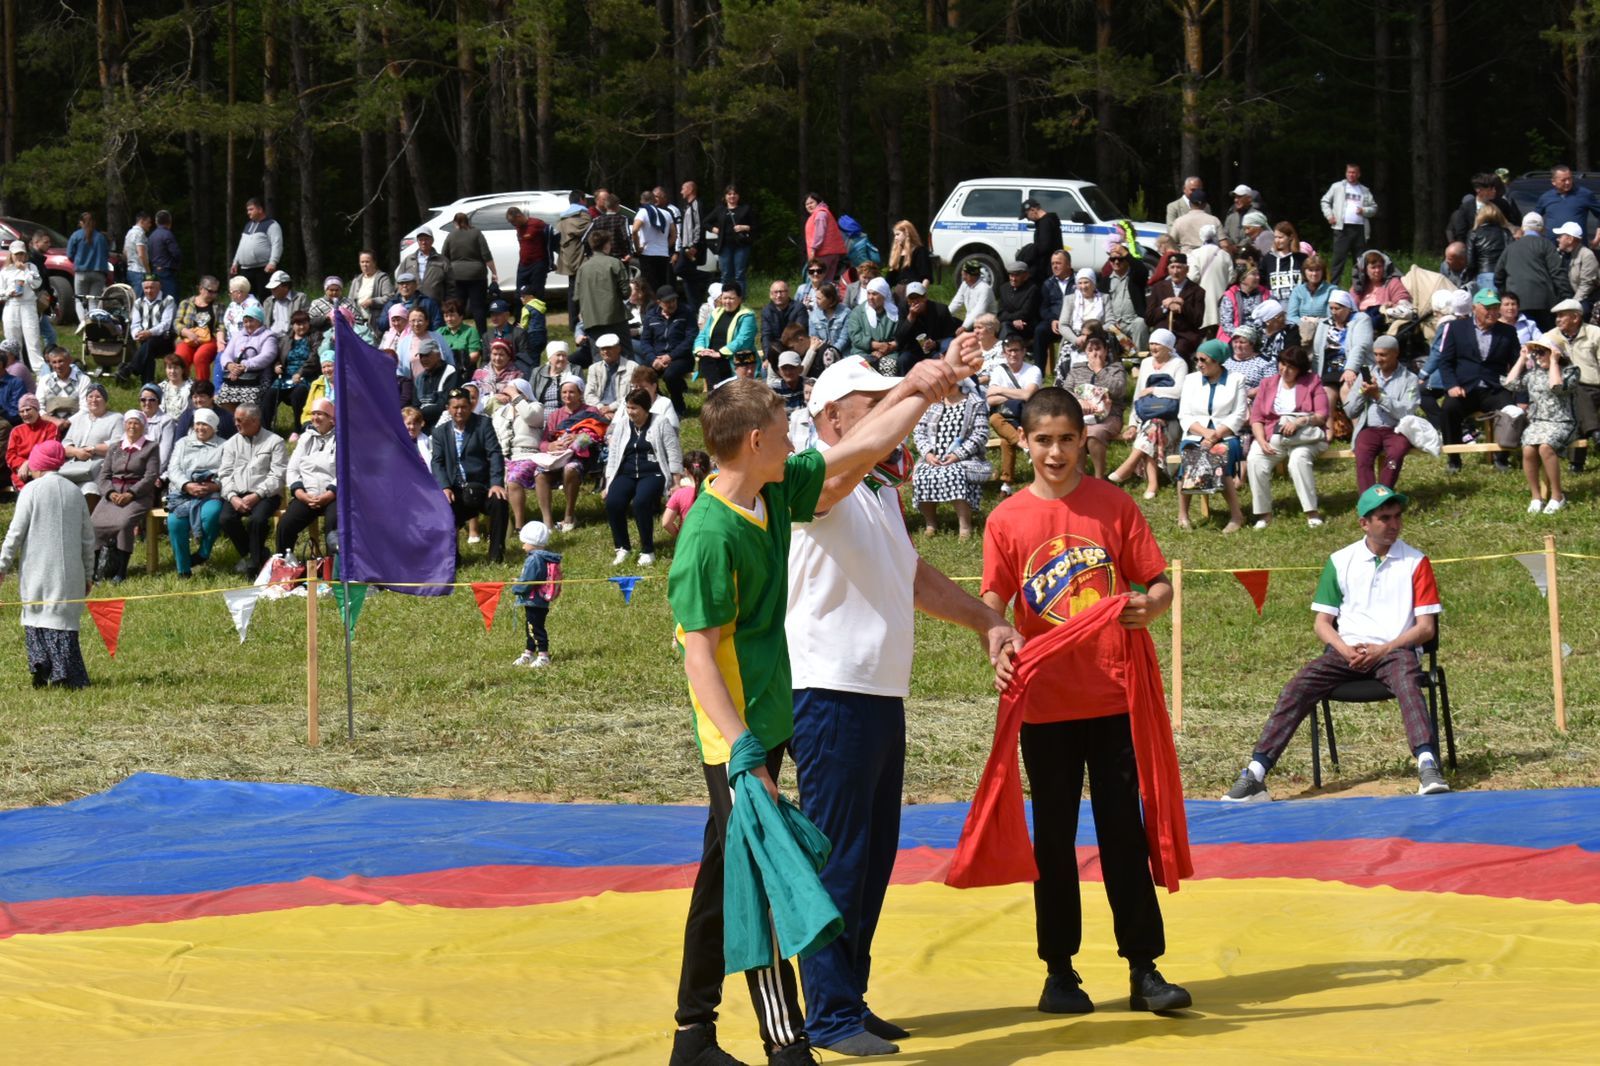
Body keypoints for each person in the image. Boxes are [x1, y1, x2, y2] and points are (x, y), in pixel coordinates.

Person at [665, 348, 977, 1066]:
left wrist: (920, 389)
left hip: (768, 722)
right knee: (768, 876)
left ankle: (692, 1035)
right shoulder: (709, 537)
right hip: (735, 734)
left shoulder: (777, 493)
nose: (795, 433)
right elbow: (699, 657)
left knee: (722, 880)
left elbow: (862, 446)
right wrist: (741, 749)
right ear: (756, 442)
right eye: (784, 425)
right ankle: (786, 1044)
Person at [784, 355, 1021, 1056]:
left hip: (876, 691)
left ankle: (846, 998)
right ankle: (826, 1012)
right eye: (874, 401)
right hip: (828, 690)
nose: (892, 410)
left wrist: (986, 620)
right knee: (839, 857)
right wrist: (918, 389)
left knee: (871, 855)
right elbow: (855, 461)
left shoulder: (878, 492)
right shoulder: (816, 473)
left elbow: (910, 575)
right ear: (832, 418)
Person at [979, 386, 1191, 1019]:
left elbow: (1156, 584)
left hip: (1112, 696)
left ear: (1084, 440)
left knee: (1124, 831)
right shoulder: (1006, 519)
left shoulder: (1113, 505)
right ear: (1024, 441)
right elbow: (992, 602)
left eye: (1067, 439)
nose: (1055, 452)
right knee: (1055, 840)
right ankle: (1059, 972)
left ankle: (1144, 968)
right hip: (1044, 702)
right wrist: (996, 646)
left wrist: (1153, 605)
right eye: (1042, 440)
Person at [1221, 484, 1447, 802]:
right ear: (1364, 524)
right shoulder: (1340, 561)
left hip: (1395, 650)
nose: (1394, 524)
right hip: (1346, 652)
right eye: (1385, 517)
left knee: (1408, 682)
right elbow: (1322, 624)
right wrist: (1345, 650)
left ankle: (1428, 765)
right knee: (1297, 687)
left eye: (1397, 516)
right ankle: (1255, 773)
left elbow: (1425, 629)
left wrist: (1384, 648)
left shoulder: (1416, 562)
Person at [0, 440, 95, 689]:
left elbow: (15, 533)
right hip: (71, 573)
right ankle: (65, 673)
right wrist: (88, 574)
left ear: (39, 463)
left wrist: (2, 566)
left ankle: (41, 664)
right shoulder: (75, 492)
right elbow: (88, 538)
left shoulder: (31, 491)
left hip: (37, 571)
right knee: (62, 621)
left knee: (36, 617)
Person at [1437, 289, 1521, 473]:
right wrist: (1451, 385)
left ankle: (1502, 457)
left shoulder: (1507, 332)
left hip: (1494, 388)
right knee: (1449, 410)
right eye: (1487, 308)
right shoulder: (1455, 328)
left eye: (1495, 307)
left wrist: (1516, 391)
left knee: (1511, 410)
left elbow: (1516, 364)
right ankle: (1454, 459)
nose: (1492, 312)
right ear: (1475, 308)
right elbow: (1445, 361)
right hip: (1465, 388)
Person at [1245, 346, 1329, 528]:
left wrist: (1300, 421)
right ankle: (1264, 514)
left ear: (1300, 368)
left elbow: (1322, 415)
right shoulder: (1267, 383)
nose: (1285, 370)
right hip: (1271, 436)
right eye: (1282, 364)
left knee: (1298, 460)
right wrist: (1260, 441)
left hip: (1304, 437)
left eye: (1291, 367)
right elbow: (1257, 418)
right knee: (1254, 460)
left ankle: (1311, 512)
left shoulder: (1312, 381)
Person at [603, 387, 682, 568]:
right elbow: (614, 454)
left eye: (635, 408)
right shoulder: (623, 424)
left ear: (645, 408)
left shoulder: (661, 422)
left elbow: (673, 451)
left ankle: (647, 550)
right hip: (626, 473)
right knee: (613, 503)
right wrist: (609, 483)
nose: (631, 412)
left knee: (641, 502)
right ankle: (622, 547)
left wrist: (676, 481)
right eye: (628, 408)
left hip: (653, 472)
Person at [1176, 340, 1248, 532]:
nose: (1199, 364)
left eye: (1204, 360)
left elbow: (1239, 414)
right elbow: (1184, 414)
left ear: (1217, 362)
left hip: (1226, 435)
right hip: (1195, 434)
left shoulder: (1236, 380)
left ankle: (1236, 516)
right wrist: (1205, 432)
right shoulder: (1191, 380)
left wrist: (1217, 434)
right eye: (1197, 359)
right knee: (1190, 456)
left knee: (1219, 455)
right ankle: (1183, 515)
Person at [431, 388, 509, 563]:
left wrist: (496, 483)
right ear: (448, 409)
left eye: (464, 407)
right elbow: (437, 462)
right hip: (456, 489)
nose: (460, 411)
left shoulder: (483, 424)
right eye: (455, 407)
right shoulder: (439, 432)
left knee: (499, 501)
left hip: (481, 487)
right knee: (443, 506)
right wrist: (445, 486)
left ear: (471, 406)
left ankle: (496, 555)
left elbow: (495, 454)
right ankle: (453, 558)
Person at [1110, 328, 1187, 499]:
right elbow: (1139, 395)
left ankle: (1132, 468)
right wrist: (1132, 423)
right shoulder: (1146, 363)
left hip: (1172, 416)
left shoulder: (1179, 364)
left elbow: (1180, 391)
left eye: (1157, 344)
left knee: (1154, 425)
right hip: (1150, 416)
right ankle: (1151, 482)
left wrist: (1154, 389)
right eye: (1151, 343)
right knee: (1153, 426)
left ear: (1168, 346)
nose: (1153, 347)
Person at [1508, 338, 1580, 515]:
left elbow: (1556, 387)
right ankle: (1536, 497)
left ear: (1554, 353)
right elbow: (1510, 383)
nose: (1537, 356)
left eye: (1541, 352)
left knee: (1546, 447)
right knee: (1528, 450)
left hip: (1563, 421)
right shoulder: (1533, 373)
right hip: (1538, 421)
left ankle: (1557, 496)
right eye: (1535, 352)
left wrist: (1554, 361)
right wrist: (1522, 359)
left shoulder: (1570, 371)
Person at [911, 380, 990, 539]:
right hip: (933, 458)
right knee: (921, 475)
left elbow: (980, 434)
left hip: (966, 458)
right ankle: (931, 524)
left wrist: (957, 455)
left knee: (954, 474)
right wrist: (927, 454)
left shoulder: (975, 402)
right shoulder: (932, 403)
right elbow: (918, 432)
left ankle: (965, 527)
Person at [90, 408, 160, 583]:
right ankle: (95, 570)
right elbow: (104, 475)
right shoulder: (114, 448)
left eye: (137, 423)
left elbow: (150, 476)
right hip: (113, 495)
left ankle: (121, 571)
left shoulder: (151, 447)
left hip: (138, 496)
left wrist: (131, 493)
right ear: (124, 425)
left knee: (124, 524)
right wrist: (110, 493)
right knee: (93, 524)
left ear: (143, 426)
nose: (132, 426)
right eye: (129, 422)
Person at [218, 403, 287, 575]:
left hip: (266, 494)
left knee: (257, 520)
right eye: (235, 420)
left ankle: (253, 566)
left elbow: (278, 475)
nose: (236, 424)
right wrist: (233, 497)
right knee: (226, 518)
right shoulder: (231, 444)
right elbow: (224, 474)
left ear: (255, 421)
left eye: (240, 420)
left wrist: (257, 495)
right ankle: (257, 554)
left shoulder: (275, 442)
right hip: (237, 492)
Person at [1347, 334, 1420, 492]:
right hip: (1370, 429)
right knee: (1363, 457)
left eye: (1383, 354)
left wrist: (1379, 396)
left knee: (1395, 455)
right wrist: (1363, 392)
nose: (1378, 359)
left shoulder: (1410, 379)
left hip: (1396, 430)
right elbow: (1350, 411)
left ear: (1395, 353)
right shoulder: (1365, 377)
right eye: (1376, 354)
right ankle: (1369, 502)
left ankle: (1383, 496)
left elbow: (1407, 412)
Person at [164, 407, 226, 578]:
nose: (200, 428)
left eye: (205, 425)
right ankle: (183, 569)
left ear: (213, 427)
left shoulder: (224, 445)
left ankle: (203, 553)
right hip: (183, 492)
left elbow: (228, 471)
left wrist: (215, 486)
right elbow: (173, 469)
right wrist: (186, 485)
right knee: (175, 523)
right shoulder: (182, 443)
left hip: (210, 491)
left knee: (211, 514)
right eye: (198, 424)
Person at [534, 378, 602, 532]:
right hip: (555, 458)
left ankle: (569, 516)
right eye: (564, 392)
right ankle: (548, 522)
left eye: (572, 392)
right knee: (539, 473)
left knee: (570, 468)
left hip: (581, 458)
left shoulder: (591, 412)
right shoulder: (555, 415)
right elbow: (543, 442)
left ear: (580, 393)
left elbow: (597, 435)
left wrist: (577, 440)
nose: (567, 395)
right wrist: (551, 445)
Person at [1542, 298, 1600, 471]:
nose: (1557, 320)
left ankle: (1577, 463)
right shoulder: (1549, 337)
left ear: (1575, 318)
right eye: (1556, 316)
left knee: (1578, 400)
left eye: (1561, 316)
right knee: (1576, 393)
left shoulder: (1595, 333)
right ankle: (1595, 433)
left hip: (1595, 387)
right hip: (1562, 389)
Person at [276, 397, 337, 557]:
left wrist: (330, 493)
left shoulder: (341, 439)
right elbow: (292, 469)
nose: (315, 417)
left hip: (333, 495)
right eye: (313, 413)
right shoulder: (305, 438)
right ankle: (284, 566)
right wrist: (300, 493)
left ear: (331, 419)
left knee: (334, 524)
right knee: (285, 525)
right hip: (307, 494)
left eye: (321, 414)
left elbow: (346, 471)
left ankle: (334, 571)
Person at [1496, 214, 1573, 332]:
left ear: (1522, 228)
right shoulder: (1547, 245)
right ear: (1542, 229)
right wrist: (1567, 298)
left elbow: (1498, 276)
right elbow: (1557, 273)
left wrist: (1507, 294)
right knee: (1545, 341)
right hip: (1544, 303)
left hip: (1517, 303)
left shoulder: (1510, 248)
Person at [492, 378, 544, 531]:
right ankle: (501, 527)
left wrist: (515, 394)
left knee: (513, 480)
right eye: (512, 394)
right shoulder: (501, 412)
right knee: (494, 480)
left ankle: (519, 525)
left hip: (527, 455)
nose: (513, 397)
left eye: (518, 393)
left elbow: (529, 417)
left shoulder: (536, 407)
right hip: (506, 457)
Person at [58, 384, 121, 503]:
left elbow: (117, 446)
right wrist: (77, 451)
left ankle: (88, 521)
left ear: (105, 400)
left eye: (98, 397)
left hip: (98, 470)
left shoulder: (116, 418)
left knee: (90, 490)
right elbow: (64, 445)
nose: (93, 400)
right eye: (90, 396)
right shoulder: (78, 419)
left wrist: (93, 449)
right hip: (73, 468)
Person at [511, 520, 561, 668]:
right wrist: (520, 580)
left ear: (532, 542)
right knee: (531, 627)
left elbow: (529, 581)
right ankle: (529, 653)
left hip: (534, 600)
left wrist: (517, 587)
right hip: (540, 599)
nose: (523, 546)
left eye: (525, 542)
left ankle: (543, 656)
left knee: (536, 628)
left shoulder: (534, 559)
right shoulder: (543, 557)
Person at [1319, 163, 1378, 285]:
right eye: (1349, 172)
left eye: (1354, 172)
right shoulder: (1337, 187)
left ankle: (1359, 288)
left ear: (1358, 174)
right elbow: (1324, 201)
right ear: (1346, 173)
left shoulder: (1364, 190)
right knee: (1338, 260)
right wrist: (1329, 215)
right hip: (1342, 228)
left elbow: (1374, 208)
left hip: (1360, 229)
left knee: (1360, 261)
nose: (1351, 175)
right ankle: (1333, 288)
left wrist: (1364, 210)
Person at [574, 231, 630, 359]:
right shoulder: (615, 263)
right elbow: (626, 293)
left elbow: (577, 296)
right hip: (616, 317)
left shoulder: (583, 268)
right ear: (606, 245)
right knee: (624, 354)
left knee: (599, 357)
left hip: (592, 319)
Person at [443, 211, 498, 333]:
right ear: (468, 221)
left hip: (457, 275)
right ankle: (482, 335)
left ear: (455, 223)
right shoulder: (477, 233)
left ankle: (458, 333)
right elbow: (486, 254)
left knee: (458, 307)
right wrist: (494, 272)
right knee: (478, 307)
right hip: (477, 275)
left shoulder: (451, 236)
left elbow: (444, 257)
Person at [694, 283, 757, 389]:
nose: (727, 302)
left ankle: (716, 393)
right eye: (725, 298)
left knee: (709, 362)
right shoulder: (716, 313)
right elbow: (703, 334)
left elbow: (743, 340)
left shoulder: (747, 315)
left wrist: (721, 353)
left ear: (740, 299)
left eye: (731, 298)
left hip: (737, 358)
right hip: (712, 358)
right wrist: (700, 350)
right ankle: (717, 392)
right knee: (706, 359)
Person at [215, 304, 278, 410]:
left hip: (257, 378)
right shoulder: (238, 335)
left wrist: (244, 365)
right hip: (236, 376)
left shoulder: (268, 336)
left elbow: (268, 355)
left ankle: (247, 422)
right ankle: (236, 423)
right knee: (223, 399)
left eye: (251, 321)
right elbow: (226, 354)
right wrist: (229, 365)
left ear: (259, 321)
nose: (248, 324)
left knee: (248, 404)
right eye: (245, 321)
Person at [1144, 253, 1205, 358]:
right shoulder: (1158, 288)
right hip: (1162, 333)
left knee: (1177, 354)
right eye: (1172, 267)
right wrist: (1164, 307)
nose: (1175, 271)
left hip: (1184, 336)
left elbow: (1198, 321)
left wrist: (1183, 306)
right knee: (1155, 354)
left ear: (1187, 270)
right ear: (1168, 269)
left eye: (1179, 267)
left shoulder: (1197, 291)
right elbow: (1149, 319)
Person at [894, 282, 960, 373]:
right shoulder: (904, 308)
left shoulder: (940, 310)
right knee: (903, 360)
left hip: (935, 350)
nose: (915, 302)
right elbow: (899, 339)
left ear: (925, 297)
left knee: (941, 357)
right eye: (911, 299)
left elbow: (951, 336)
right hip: (913, 350)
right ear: (907, 300)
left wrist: (935, 343)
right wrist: (911, 318)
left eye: (918, 298)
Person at [123, 276, 176, 385]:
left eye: (152, 288)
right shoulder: (138, 302)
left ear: (159, 287)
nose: (149, 291)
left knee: (149, 343)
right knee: (148, 348)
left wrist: (149, 333)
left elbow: (166, 324)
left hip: (165, 340)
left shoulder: (168, 300)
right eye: (146, 288)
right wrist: (137, 334)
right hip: (145, 340)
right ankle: (147, 383)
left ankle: (131, 368)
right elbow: (135, 324)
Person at [0, 239, 43, 374]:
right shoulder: (5, 271)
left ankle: (40, 372)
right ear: (11, 255)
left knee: (33, 340)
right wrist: (8, 293)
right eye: (16, 254)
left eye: (22, 254)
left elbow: (37, 284)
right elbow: (0, 292)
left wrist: (25, 270)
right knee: (12, 341)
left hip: (28, 306)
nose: (19, 257)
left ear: (25, 255)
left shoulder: (31, 267)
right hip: (11, 306)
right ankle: (17, 371)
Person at [230, 197, 284, 298]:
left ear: (260, 209)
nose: (248, 212)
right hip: (246, 269)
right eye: (247, 210)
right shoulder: (248, 225)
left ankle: (266, 314)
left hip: (263, 269)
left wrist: (273, 262)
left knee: (265, 297)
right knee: (247, 297)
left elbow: (277, 244)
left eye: (251, 209)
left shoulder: (271, 224)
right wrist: (235, 263)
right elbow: (241, 245)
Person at [1534, 164, 1600, 246]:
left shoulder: (1584, 194)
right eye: (1563, 180)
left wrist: (1598, 237)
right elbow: (1534, 219)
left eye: (1570, 178)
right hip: (1552, 249)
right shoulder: (1546, 197)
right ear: (1553, 182)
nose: (1568, 182)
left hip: (1577, 250)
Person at [707, 184, 754, 294]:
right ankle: (726, 298)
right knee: (726, 275)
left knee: (740, 274)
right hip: (724, 246)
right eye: (729, 194)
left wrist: (743, 227)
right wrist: (715, 230)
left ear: (738, 196)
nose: (732, 196)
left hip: (741, 245)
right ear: (725, 196)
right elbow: (706, 222)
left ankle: (740, 299)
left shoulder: (745, 209)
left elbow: (755, 226)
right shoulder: (720, 210)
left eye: (734, 194)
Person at [5, 395, 59, 492]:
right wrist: (22, 464)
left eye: (28, 409)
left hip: (43, 472)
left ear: (37, 409)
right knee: (27, 497)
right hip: (21, 473)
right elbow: (10, 456)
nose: (25, 414)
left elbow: (50, 452)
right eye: (21, 411)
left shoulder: (50, 428)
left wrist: (28, 463)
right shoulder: (16, 431)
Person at [66, 212, 111, 322]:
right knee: (94, 301)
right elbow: (107, 255)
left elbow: (70, 255)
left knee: (79, 300)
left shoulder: (76, 236)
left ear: (81, 222)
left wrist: (77, 261)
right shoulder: (101, 237)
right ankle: (93, 324)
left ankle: (83, 323)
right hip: (98, 273)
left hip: (81, 272)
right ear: (94, 223)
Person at [1035, 250, 1075, 371]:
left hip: (1074, 321)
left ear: (1068, 264)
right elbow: (1043, 308)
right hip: (1056, 323)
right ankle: (1038, 372)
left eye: (1058, 263)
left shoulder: (1079, 281)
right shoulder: (1048, 283)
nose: (1055, 266)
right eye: (1053, 263)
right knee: (1040, 330)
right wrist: (1052, 319)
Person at [846, 277, 897, 369]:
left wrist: (884, 350)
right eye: (868, 293)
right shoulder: (857, 312)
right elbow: (856, 336)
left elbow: (900, 337)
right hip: (862, 351)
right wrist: (876, 346)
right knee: (862, 367)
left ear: (883, 295)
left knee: (889, 366)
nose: (870, 297)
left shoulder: (894, 313)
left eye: (874, 294)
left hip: (889, 352)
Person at [662, 449, 710, 539]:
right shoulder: (715, 491)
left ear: (685, 471)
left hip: (688, 539)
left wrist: (680, 537)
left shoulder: (679, 494)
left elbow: (666, 522)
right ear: (709, 469)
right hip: (711, 540)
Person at [1554, 222, 1599, 315]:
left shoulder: (1586, 255)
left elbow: (1586, 285)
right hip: (1564, 296)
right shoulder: (1559, 254)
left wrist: (1572, 304)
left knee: (1582, 311)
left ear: (1570, 239)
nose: (1557, 239)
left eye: (1560, 236)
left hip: (1582, 298)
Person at [803, 192, 848, 282]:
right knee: (827, 281)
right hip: (830, 253)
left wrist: (813, 249)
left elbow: (819, 234)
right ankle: (827, 296)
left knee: (817, 281)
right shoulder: (823, 213)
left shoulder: (820, 214)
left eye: (811, 202)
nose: (809, 205)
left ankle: (818, 296)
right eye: (806, 204)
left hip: (823, 253)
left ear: (818, 202)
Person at [1217, 266, 1265, 345]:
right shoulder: (1230, 295)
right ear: (1242, 278)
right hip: (1235, 338)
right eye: (1254, 274)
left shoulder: (1265, 294)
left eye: (1258, 274)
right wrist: (1242, 337)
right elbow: (1226, 323)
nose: (1258, 277)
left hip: (1259, 339)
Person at [351, 249, 396, 332]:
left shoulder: (383, 278)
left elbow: (390, 298)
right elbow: (349, 301)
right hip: (358, 324)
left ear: (374, 263)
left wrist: (372, 301)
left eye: (367, 262)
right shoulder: (356, 280)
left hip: (375, 323)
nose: (365, 265)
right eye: (362, 262)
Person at [1022, 197, 1064, 284]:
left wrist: (1029, 252)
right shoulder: (1049, 220)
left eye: (1027, 215)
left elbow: (1044, 247)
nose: (1028, 219)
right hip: (1053, 266)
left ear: (1033, 210)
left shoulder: (1045, 223)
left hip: (1047, 269)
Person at [1262, 223, 1307, 302]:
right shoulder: (1268, 259)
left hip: (1299, 303)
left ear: (1290, 237)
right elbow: (1262, 282)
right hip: (1276, 306)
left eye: (1280, 237)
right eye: (1275, 237)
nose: (1277, 240)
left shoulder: (1301, 258)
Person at [1286, 254, 1333, 331]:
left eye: (1317, 270)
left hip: (1324, 329)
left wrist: (1316, 321)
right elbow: (1291, 316)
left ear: (1323, 272)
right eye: (1311, 270)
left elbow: (1331, 316)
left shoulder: (1331, 290)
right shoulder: (1297, 291)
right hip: (1302, 328)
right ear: (1304, 272)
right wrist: (1304, 322)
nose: (1314, 274)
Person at [885, 220, 933, 291]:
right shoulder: (897, 254)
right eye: (894, 235)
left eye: (898, 234)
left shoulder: (920, 251)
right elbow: (889, 280)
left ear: (907, 233)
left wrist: (921, 293)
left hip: (914, 289)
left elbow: (926, 277)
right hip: (899, 290)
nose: (895, 238)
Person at [948, 260, 997, 330]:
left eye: (964, 274)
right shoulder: (964, 284)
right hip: (971, 323)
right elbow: (956, 302)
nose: (963, 277)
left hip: (985, 325)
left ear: (971, 276)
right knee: (946, 321)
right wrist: (945, 315)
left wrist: (964, 327)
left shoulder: (985, 289)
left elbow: (979, 311)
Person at [149, 210, 182, 298]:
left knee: (159, 297)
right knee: (171, 297)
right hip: (167, 269)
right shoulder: (167, 234)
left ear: (156, 222)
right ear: (169, 221)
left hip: (155, 269)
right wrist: (177, 263)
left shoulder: (152, 235)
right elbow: (176, 252)